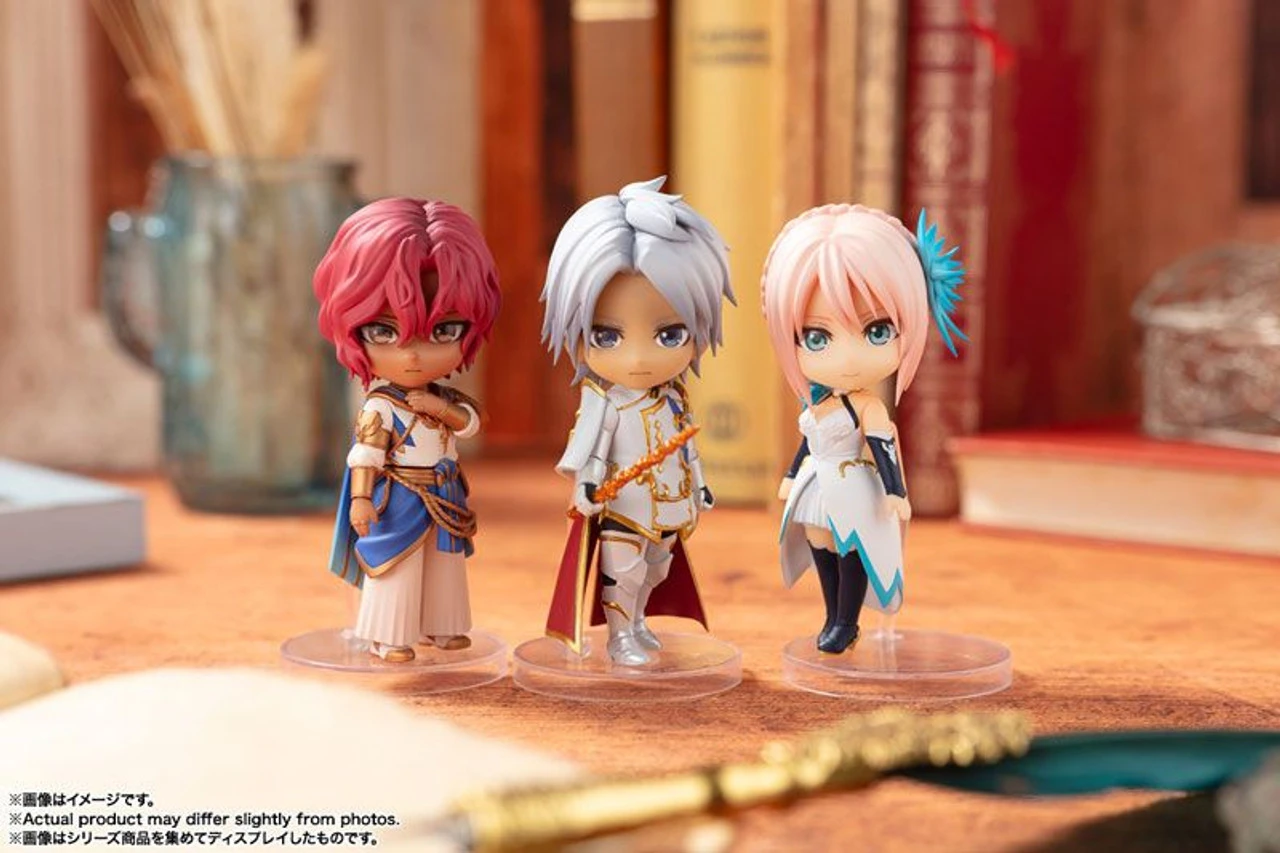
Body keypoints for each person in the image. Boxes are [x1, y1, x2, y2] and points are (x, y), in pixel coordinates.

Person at [540, 177, 734, 665]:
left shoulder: (675, 397)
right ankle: (620, 635)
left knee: (656, 568)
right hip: (623, 501)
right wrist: (586, 486)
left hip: (670, 500)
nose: (639, 358)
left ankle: (639, 621)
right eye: (606, 336)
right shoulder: (604, 402)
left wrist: (700, 485)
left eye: (670, 335)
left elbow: (687, 445)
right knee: (623, 570)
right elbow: (589, 448)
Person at [761, 205, 966, 653]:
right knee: (819, 540)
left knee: (851, 546)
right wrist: (792, 475)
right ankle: (831, 613)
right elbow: (809, 442)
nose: (848, 358)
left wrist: (896, 492)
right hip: (817, 483)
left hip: (853, 485)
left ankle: (846, 621)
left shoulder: (867, 407)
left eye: (876, 332)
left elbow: (883, 446)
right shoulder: (819, 401)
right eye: (817, 338)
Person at [313, 198, 501, 663]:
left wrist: (441, 408)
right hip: (399, 496)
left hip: (445, 493)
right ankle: (388, 635)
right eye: (383, 332)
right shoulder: (381, 405)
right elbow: (365, 455)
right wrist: (361, 499)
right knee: (396, 564)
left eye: (443, 331)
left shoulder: (445, 397)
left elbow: (472, 424)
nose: (412, 353)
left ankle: (442, 626)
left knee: (444, 565)